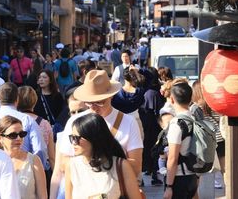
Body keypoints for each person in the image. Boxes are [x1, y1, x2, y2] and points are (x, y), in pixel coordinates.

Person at [51, 70, 144, 198]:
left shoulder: (128, 122)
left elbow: (136, 166)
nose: (93, 107)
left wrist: (109, 173)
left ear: (111, 96)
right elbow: (63, 162)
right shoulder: (75, 122)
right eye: (89, 102)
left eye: (99, 102)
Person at [65, 113, 142, 199]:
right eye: (72, 137)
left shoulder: (120, 165)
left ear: (93, 138)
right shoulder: (71, 166)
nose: (73, 142)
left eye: (77, 138)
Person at [0, 82, 49, 168]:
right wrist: (38, 169)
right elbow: (40, 149)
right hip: (22, 170)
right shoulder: (27, 119)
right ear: (17, 99)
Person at [0, 116, 47, 199]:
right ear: (0, 138)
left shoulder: (34, 161)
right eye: (12, 135)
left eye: (21, 134)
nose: (18, 138)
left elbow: (43, 196)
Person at [163, 80, 198, 199]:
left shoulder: (177, 124)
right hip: (193, 176)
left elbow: (173, 158)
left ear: (172, 99)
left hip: (178, 178)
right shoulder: (195, 120)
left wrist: (168, 186)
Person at [191, 80, 225, 189]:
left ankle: (201, 192)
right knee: (224, 169)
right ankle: (228, 189)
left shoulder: (195, 108)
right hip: (219, 138)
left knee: (203, 171)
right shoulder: (214, 104)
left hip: (206, 142)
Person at [138, 67, 165, 186]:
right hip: (154, 126)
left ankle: (146, 173)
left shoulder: (143, 91)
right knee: (154, 149)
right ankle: (154, 173)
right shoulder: (154, 92)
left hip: (144, 125)